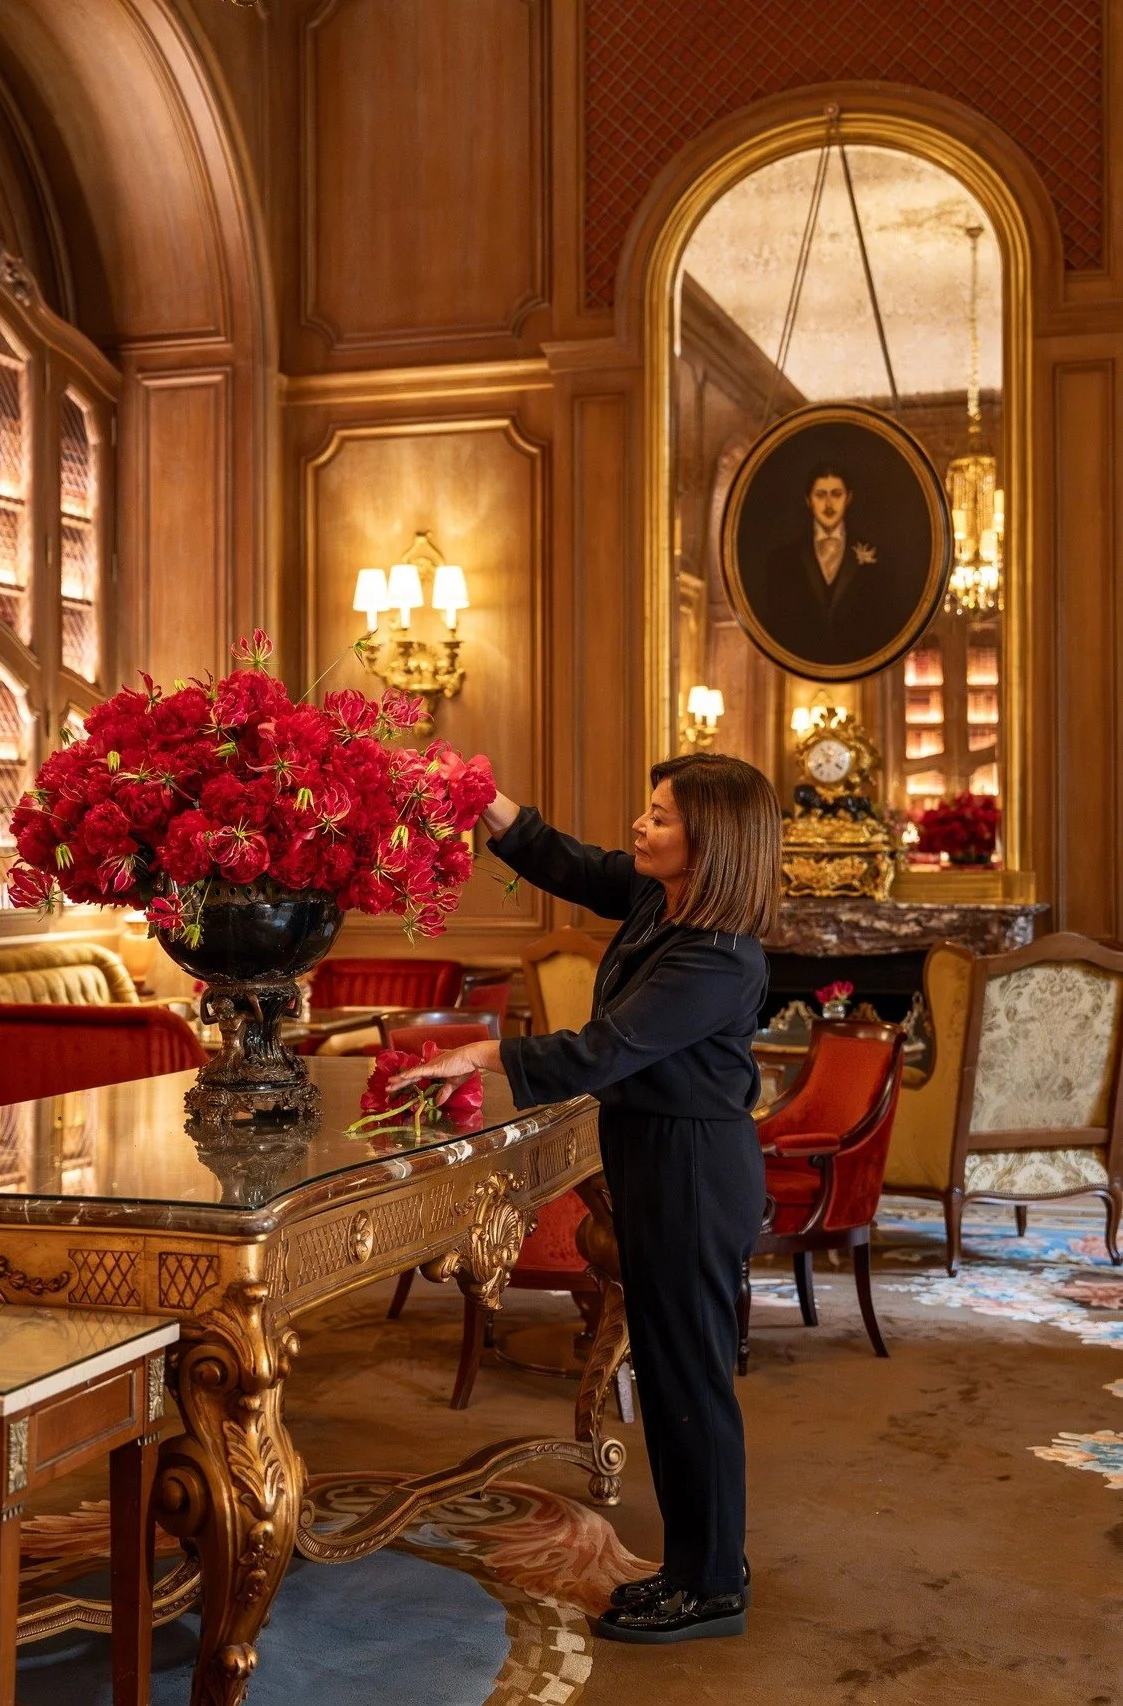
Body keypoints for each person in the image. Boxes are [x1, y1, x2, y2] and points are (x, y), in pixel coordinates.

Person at [390, 752, 781, 1644]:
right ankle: (701, 1565)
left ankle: (710, 1586)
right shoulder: (660, 899)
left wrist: (483, 1053)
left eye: (658, 817)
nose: (640, 828)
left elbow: (604, 1052)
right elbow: (567, 861)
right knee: (677, 1368)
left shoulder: (718, 954)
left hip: (691, 1169)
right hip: (656, 1154)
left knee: (689, 1378)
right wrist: (478, 799)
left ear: (707, 841)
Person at [745, 459, 920, 670]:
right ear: (808, 500)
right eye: (820, 495)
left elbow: (885, 624)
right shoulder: (782, 559)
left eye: (836, 494)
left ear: (848, 498)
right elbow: (776, 624)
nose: (829, 504)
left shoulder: (880, 560)